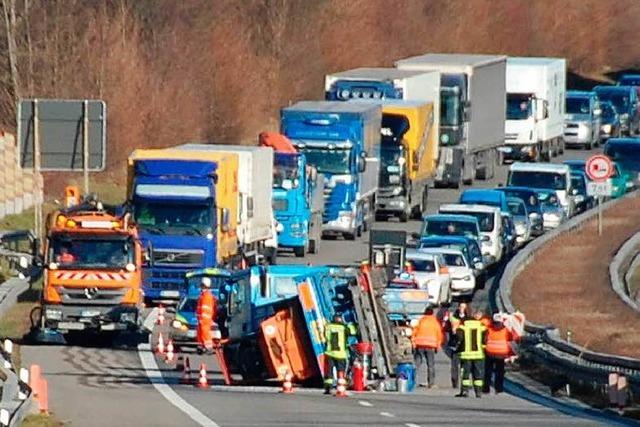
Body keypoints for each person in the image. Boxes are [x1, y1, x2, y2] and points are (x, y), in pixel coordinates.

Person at [455, 310, 487, 398]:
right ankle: (478, 392)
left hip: (466, 354)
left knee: (465, 373)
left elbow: (459, 337)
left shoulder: (463, 325)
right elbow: (485, 339)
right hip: (478, 354)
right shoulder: (481, 325)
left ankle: (465, 391)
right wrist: (483, 348)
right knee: (478, 374)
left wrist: (459, 346)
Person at [412, 306, 443, 388]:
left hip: (420, 345)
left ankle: (412, 381)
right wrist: (438, 346)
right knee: (431, 365)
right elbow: (439, 335)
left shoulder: (421, 321)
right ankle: (431, 383)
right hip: (431, 346)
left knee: (416, 364)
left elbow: (414, 333)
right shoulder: (435, 323)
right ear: (432, 313)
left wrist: (414, 343)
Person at [323, 314, 355, 394]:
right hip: (340, 354)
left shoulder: (328, 326)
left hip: (330, 353)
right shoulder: (343, 327)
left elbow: (326, 337)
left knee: (329, 371)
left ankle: (328, 388)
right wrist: (350, 325)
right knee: (340, 371)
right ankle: (340, 386)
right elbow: (353, 332)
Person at [483, 313, 514, 394]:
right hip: (501, 353)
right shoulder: (505, 330)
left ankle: (486, 388)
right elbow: (511, 338)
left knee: (488, 371)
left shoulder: (489, 329)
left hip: (490, 352)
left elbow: (484, 339)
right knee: (499, 372)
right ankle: (499, 389)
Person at [196, 277, 218, 355]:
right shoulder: (203, 295)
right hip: (202, 319)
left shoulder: (207, 296)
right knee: (200, 332)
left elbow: (206, 309)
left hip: (205, 319)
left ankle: (209, 347)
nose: (200, 287)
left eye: (202, 286)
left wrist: (203, 318)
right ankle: (201, 346)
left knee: (205, 332)